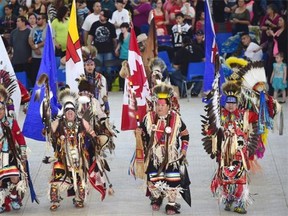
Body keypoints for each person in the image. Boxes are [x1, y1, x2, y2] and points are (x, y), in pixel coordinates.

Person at [135, 83, 190, 215]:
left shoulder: (176, 119)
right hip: (154, 155)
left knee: (172, 179)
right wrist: (138, 133)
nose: (159, 107)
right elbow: (142, 134)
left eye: (162, 105)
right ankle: (156, 198)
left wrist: (183, 150)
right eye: (158, 105)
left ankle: (171, 204)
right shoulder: (148, 118)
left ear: (168, 105)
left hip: (171, 156)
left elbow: (185, 135)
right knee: (154, 179)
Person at [0, 81, 29, 213]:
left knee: (15, 177)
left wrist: (23, 151)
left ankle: (13, 197)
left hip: (10, 153)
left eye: (1, 109)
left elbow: (19, 136)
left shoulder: (10, 120)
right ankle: (1, 201)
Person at [87, 9, 117, 90]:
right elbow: (90, 36)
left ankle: (108, 86)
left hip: (108, 50)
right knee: (98, 69)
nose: (100, 16)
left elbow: (114, 39)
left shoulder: (111, 26)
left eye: (102, 15)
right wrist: (89, 46)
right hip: (97, 51)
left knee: (109, 70)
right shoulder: (95, 24)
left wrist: (115, 48)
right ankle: (97, 85)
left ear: (106, 17)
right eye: (100, 14)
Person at [28, 13, 47, 87]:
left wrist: (36, 46)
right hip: (35, 57)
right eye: (37, 19)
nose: (36, 21)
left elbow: (47, 41)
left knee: (44, 75)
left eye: (39, 19)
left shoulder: (48, 28)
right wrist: (34, 48)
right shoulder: (34, 29)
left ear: (44, 19)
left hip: (44, 57)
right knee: (35, 75)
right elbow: (30, 39)